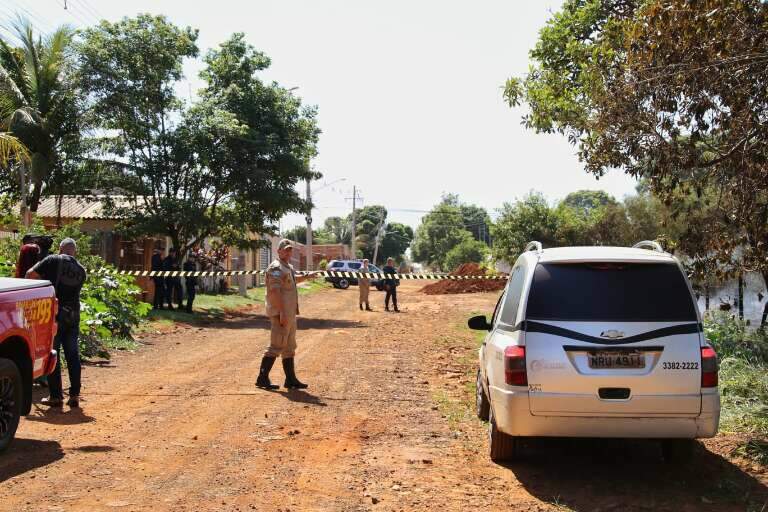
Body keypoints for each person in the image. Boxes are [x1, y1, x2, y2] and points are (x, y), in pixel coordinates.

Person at [27, 238, 87, 408]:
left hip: (54, 315)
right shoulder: (81, 270)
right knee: (73, 355)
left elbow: (30, 275)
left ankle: (56, 396)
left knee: (53, 353)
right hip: (74, 315)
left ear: (60, 249)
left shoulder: (53, 259)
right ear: (74, 251)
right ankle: (74, 394)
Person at [256, 239, 317, 390]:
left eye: (290, 250)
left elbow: (293, 280)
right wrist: (281, 312)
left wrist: (309, 276)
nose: (288, 252)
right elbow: (275, 291)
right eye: (286, 249)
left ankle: (290, 379)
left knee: (289, 347)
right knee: (276, 345)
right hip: (280, 313)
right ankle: (262, 378)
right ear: (279, 251)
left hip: (289, 313)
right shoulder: (276, 268)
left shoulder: (287, 267)